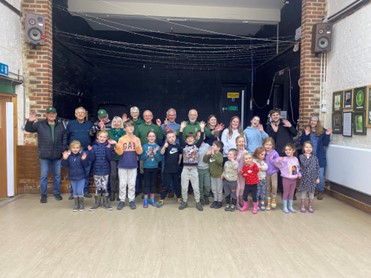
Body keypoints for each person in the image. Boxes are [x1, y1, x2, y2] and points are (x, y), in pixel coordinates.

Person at [24, 106, 67, 203]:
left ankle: (56, 193)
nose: (51, 115)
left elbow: (64, 137)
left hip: (57, 155)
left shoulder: (60, 125)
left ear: (56, 115)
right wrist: (30, 121)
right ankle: (43, 195)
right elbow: (28, 129)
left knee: (57, 176)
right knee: (44, 176)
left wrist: (63, 149)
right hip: (44, 155)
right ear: (46, 115)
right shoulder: (39, 124)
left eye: (53, 113)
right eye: (49, 114)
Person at [114, 120, 143, 210]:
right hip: (122, 164)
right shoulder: (122, 139)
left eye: (132, 126)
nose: (130, 128)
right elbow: (119, 153)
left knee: (131, 184)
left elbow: (140, 152)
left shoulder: (137, 138)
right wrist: (116, 145)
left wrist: (136, 143)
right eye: (128, 126)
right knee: (122, 184)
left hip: (133, 165)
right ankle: (122, 200)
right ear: (125, 128)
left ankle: (131, 200)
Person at [300, 116, 331, 200]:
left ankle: (320, 191)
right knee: (309, 175)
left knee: (320, 175)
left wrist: (327, 135)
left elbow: (325, 143)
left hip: (319, 157)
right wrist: (306, 135)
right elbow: (303, 143)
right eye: (312, 120)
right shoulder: (306, 130)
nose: (313, 122)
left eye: (315, 121)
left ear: (318, 122)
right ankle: (312, 191)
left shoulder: (323, 131)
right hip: (309, 157)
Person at [66, 106, 93, 199]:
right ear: (75, 114)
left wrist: (91, 147)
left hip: (86, 151)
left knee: (86, 171)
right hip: (74, 152)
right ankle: (73, 192)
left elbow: (93, 137)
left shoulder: (90, 124)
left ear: (85, 114)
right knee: (74, 172)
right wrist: (68, 148)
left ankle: (85, 191)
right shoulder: (71, 124)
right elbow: (67, 136)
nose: (81, 114)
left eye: (82, 112)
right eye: (78, 113)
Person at [178, 120, 205, 211]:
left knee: (196, 187)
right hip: (185, 169)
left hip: (194, 169)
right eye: (188, 138)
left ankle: (198, 202)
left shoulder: (196, 146)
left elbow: (201, 139)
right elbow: (180, 138)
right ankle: (184, 202)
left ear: (194, 140)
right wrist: (181, 129)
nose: (190, 139)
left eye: (191, 138)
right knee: (184, 187)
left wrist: (201, 129)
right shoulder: (184, 146)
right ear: (186, 140)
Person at [88, 130, 115, 211]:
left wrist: (108, 149)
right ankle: (97, 202)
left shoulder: (109, 147)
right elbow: (91, 159)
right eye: (101, 137)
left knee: (105, 187)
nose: (102, 138)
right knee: (98, 187)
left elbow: (110, 158)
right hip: (96, 170)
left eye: (104, 137)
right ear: (97, 137)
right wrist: (91, 151)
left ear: (107, 138)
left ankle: (106, 202)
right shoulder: (94, 147)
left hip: (105, 170)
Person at [273, 143, 301, 214]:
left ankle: (290, 206)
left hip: (294, 180)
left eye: (289, 150)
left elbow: (297, 168)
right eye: (286, 150)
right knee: (286, 193)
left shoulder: (295, 159)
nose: (287, 151)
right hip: (286, 179)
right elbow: (276, 164)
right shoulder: (284, 159)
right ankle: (285, 206)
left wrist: (299, 174)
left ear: (293, 150)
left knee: (292, 193)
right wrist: (278, 159)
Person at [61, 140, 89, 211]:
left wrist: (84, 160)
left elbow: (86, 165)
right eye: (73, 148)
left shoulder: (82, 155)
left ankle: (81, 204)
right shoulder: (69, 156)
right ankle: (76, 205)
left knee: (80, 191)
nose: (75, 149)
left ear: (80, 148)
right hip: (72, 177)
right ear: (70, 149)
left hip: (81, 177)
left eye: (77, 148)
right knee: (75, 191)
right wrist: (64, 158)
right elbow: (64, 165)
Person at [157, 131, 182, 207]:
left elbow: (180, 153)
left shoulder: (178, 146)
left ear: (175, 137)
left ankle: (179, 197)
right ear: (167, 139)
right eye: (169, 137)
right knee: (165, 185)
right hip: (167, 169)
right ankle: (162, 199)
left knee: (177, 184)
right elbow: (161, 153)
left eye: (173, 137)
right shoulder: (166, 146)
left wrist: (179, 161)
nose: (171, 138)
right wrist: (164, 146)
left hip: (176, 169)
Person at [140, 131, 162, 208]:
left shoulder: (158, 147)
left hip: (154, 168)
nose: (151, 137)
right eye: (150, 136)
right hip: (146, 168)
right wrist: (147, 154)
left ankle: (152, 199)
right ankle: (145, 199)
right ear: (147, 138)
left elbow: (159, 159)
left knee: (153, 184)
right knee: (146, 184)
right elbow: (141, 158)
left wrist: (155, 153)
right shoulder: (144, 146)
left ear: (155, 137)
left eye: (153, 136)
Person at [107, 116, 126, 201]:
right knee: (113, 174)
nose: (116, 123)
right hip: (113, 156)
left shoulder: (124, 132)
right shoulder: (109, 132)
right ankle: (112, 192)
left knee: (121, 175)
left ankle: (119, 193)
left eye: (118, 122)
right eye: (114, 121)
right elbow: (111, 142)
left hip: (122, 156)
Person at [299, 141, 320, 213]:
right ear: (304, 148)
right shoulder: (301, 157)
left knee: (311, 193)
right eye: (307, 147)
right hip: (304, 178)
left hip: (312, 178)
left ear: (312, 149)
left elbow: (317, 168)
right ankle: (302, 206)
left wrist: (317, 177)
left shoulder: (315, 158)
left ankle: (310, 206)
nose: (308, 149)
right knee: (303, 192)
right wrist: (307, 157)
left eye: (310, 147)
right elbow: (305, 164)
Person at [203, 141, 224, 209]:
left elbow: (220, 161)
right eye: (212, 145)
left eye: (214, 145)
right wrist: (207, 154)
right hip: (212, 175)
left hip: (218, 175)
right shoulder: (211, 154)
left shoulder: (219, 154)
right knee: (214, 189)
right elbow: (205, 160)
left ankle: (219, 201)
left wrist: (213, 154)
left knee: (219, 189)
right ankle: (215, 200)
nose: (212, 146)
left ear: (218, 148)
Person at [263, 137, 279, 210]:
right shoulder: (263, 153)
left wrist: (273, 160)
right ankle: (268, 202)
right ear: (264, 145)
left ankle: (274, 198)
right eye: (266, 144)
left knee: (274, 186)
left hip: (274, 172)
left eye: (270, 145)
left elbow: (278, 162)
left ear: (272, 145)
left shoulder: (275, 153)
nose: (268, 146)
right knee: (267, 187)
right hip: (266, 172)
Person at [197, 131, 211, 206]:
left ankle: (206, 196)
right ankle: (201, 198)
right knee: (200, 185)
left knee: (207, 185)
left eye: (202, 136)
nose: (200, 137)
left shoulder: (207, 146)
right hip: (198, 169)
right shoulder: (195, 146)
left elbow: (213, 152)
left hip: (206, 169)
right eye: (198, 136)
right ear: (196, 137)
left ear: (204, 137)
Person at [235, 135, 249, 209]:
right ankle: (236, 201)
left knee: (242, 187)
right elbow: (234, 161)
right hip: (236, 173)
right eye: (239, 141)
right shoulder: (235, 152)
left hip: (243, 173)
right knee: (238, 187)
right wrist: (240, 156)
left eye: (243, 141)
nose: (241, 143)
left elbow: (248, 162)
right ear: (236, 143)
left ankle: (241, 199)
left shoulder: (246, 152)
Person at [253, 147, 268, 211]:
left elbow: (266, 167)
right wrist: (258, 167)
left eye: (264, 155)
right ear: (257, 154)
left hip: (263, 179)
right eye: (261, 154)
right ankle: (256, 204)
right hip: (256, 180)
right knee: (257, 192)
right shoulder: (254, 161)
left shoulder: (263, 161)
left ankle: (262, 204)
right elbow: (254, 167)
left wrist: (260, 167)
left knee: (263, 192)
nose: (263, 156)